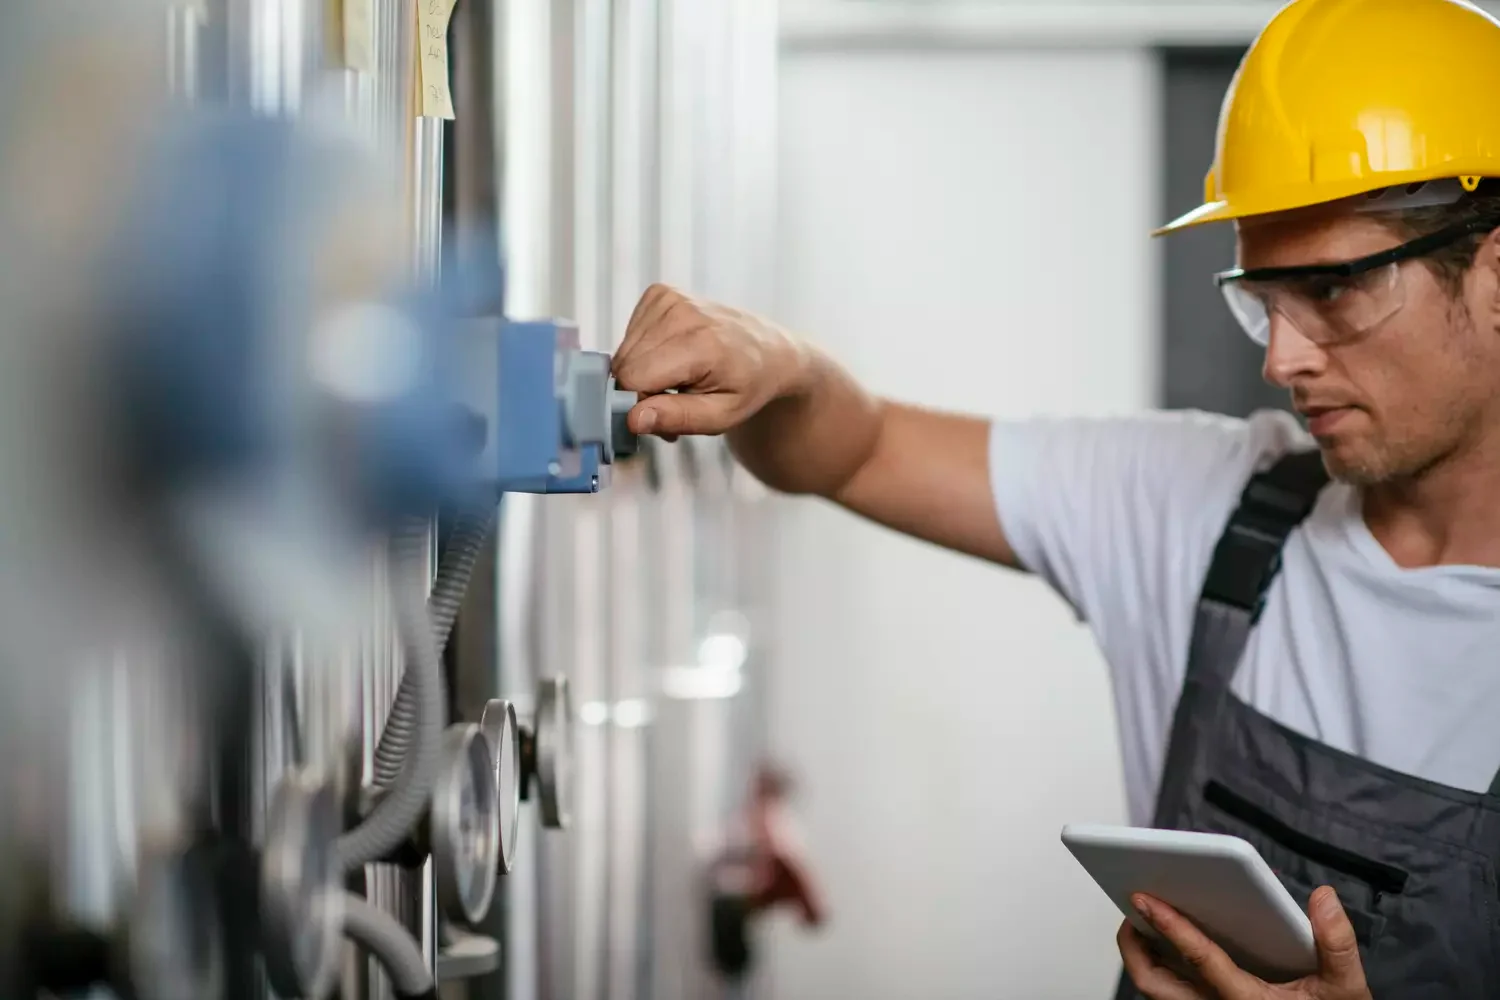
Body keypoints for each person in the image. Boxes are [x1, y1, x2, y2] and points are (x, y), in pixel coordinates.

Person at [612, 1, 1500, 997]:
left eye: (1333, 291)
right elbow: (854, 450)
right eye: (1265, 301)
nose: (1284, 360)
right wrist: (772, 357)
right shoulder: (1205, 508)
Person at [704, 763, 826, 995]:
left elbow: (794, 872)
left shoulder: (778, 829)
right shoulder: (750, 823)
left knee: (734, 975)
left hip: (735, 910)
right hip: (729, 907)